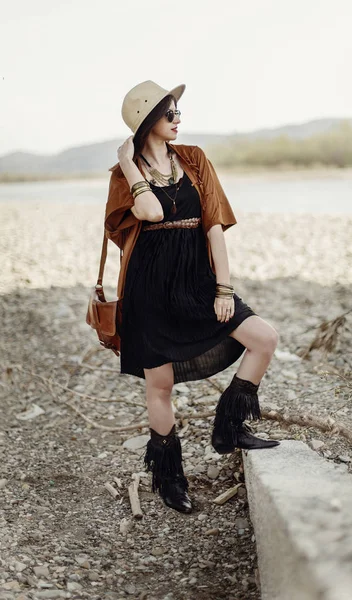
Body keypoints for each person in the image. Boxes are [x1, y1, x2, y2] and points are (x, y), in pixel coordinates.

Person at [104, 80, 280, 514]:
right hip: (149, 289)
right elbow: (151, 213)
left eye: (179, 112)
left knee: (264, 338)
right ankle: (169, 477)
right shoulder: (122, 175)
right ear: (149, 121)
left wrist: (224, 287)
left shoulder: (196, 159)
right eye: (170, 114)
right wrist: (128, 162)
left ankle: (229, 427)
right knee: (159, 386)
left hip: (198, 281)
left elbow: (215, 225)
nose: (179, 120)